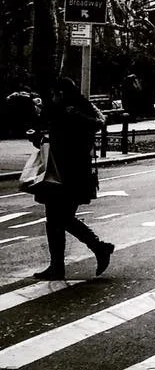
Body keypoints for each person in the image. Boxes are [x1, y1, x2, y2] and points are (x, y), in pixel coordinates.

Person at [30, 77, 114, 281]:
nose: (52, 97)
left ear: (61, 94)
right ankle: (65, 262)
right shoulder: (77, 110)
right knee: (57, 220)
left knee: (59, 219)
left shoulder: (71, 112)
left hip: (65, 173)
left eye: (54, 94)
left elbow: (63, 140)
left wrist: (40, 137)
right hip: (70, 173)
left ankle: (94, 249)